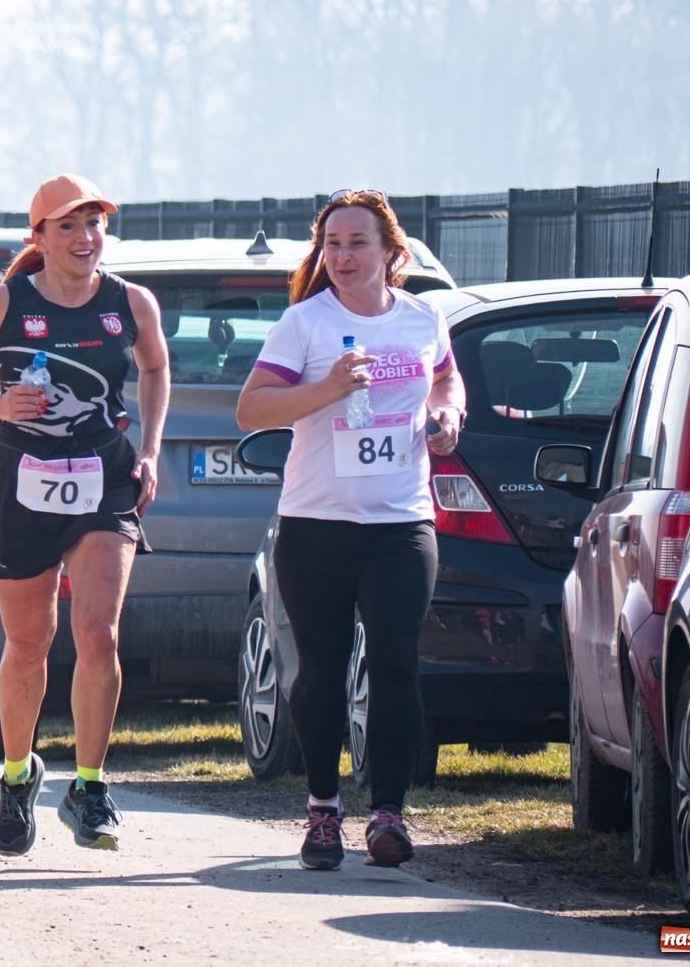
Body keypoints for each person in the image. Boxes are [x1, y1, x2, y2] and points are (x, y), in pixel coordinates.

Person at [0, 173, 169, 856]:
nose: (84, 237)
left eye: (93, 223)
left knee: (99, 634)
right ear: (37, 238)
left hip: (102, 475)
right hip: (17, 481)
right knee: (30, 645)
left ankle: (90, 786)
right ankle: (16, 776)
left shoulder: (131, 303)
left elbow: (155, 369)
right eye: (67, 226)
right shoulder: (5, 303)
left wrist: (148, 450)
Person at [235, 188, 466, 870]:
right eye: (331, 244)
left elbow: (447, 382)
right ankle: (324, 809)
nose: (341, 256)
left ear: (391, 254)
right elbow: (252, 408)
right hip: (316, 525)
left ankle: (389, 813)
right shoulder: (305, 325)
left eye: (356, 243)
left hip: (400, 522)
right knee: (321, 673)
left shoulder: (424, 318)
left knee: (395, 660)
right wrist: (326, 390)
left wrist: (448, 417)